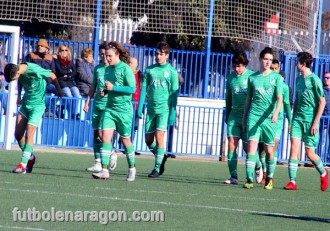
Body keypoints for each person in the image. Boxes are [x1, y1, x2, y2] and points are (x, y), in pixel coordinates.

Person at [4, 62, 64, 174]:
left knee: (29, 133)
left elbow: (52, 75)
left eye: (13, 79)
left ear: (17, 73)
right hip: (26, 104)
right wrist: (20, 95)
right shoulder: (19, 72)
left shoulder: (34, 70)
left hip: (38, 106)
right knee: (18, 134)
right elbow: (20, 81)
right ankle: (30, 158)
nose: (14, 80)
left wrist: (59, 90)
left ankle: (22, 165)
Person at [92, 41, 137, 181]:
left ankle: (132, 168)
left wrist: (113, 88)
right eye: (106, 56)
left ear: (117, 55)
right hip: (110, 109)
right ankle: (104, 170)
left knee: (125, 141)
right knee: (105, 137)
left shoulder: (125, 69)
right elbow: (108, 87)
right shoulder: (107, 70)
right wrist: (104, 92)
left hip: (124, 111)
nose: (107, 58)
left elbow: (132, 89)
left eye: (110, 56)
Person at [284, 52, 328, 191]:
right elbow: (296, 100)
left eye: (297, 62)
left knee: (310, 154)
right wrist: (292, 119)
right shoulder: (298, 80)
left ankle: (323, 173)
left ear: (303, 64)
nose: (296, 64)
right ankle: (292, 181)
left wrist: (315, 123)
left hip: (310, 121)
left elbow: (322, 102)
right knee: (294, 148)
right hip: (297, 119)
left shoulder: (314, 79)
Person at [242, 47, 283, 190]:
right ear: (260, 59)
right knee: (251, 146)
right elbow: (248, 99)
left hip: (268, 118)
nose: (268, 62)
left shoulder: (276, 78)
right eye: (266, 59)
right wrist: (244, 119)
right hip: (254, 116)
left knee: (269, 150)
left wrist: (276, 113)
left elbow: (279, 98)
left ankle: (269, 178)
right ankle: (249, 179)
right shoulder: (253, 78)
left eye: (270, 60)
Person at [137, 41, 179, 178]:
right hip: (151, 109)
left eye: (161, 54)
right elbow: (144, 88)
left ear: (167, 55)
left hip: (164, 110)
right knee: (148, 140)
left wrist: (172, 112)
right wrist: (140, 105)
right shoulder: (150, 70)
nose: (158, 57)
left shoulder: (171, 72)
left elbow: (174, 94)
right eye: (156, 54)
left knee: (159, 137)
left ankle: (156, 168)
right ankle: (161, 157)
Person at [224, 51, 260, 185]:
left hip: (248, 117)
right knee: (232, 145)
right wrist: (227, 115)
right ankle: (233, 176)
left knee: (247, 148)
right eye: (234, 66)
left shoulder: (252, 77)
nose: (236, 69)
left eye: (239, 66)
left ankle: (257, 166)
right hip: (234, 116)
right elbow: (228, 99)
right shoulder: (230, 78)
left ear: (244, 64)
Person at [83, 42, 117, 172]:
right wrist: (87, 101)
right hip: (97, 104)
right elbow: (93, 87)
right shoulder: (98, 69)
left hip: (109, 105)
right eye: (101, 54)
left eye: (106, 54)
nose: (104, 57)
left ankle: (111, 152)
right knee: (96, 133)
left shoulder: (114, 69)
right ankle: (97, 161)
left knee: (104, 134)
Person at [24, 39, 57, 118]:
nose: (39, 47)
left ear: (46, 48)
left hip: (47, 83)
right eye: (38, 46)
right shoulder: (31, 56)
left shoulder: (50, 58)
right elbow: (26, 69)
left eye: (42, 46)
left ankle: (50, 110)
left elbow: (53, 71)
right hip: (35, 83)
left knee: (57, 91)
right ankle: (39, 110)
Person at [54, 44, 82, 119]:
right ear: (59, 51)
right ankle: (71, 114)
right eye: (62, 50)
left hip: (70, 81)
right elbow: (60, 71)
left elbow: (75, 72)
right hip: (61, 81)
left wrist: (69, 75)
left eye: (66, 50)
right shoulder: (57, 61)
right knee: (69, 95)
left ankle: (74, 113)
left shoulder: (70, 61)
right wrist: (68, 71)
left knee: (76, 94)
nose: (64, 52)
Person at [166, 73, 184, 159]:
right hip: (163, 108)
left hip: (171, 109)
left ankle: (169, 150)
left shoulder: (175, 90)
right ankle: (161, 150)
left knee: (171, 130)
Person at [129, 57, 143, 155]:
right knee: (126, 126)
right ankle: (123, 146)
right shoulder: (126, 73)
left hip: (138, 105)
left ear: (135, 64)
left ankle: (130, 146)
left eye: (131, 63)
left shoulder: (141, 75)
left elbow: (144, 88)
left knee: (135, 127)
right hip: (128, 104)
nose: (129, 64)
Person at [319, 72, 330, 165]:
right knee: (323, 140)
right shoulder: (321, 91)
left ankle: (328, 159)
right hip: (324, 120)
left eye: (328, 78)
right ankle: (321, 159)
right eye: (325, 77)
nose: (326, 79)